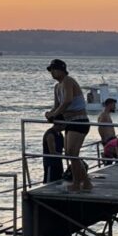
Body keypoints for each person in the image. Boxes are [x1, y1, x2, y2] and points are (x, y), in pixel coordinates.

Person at [44, 60, 92, 192]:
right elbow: (57, 105)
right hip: (69, 122)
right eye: (50, 70)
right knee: (70, 153)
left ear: (61, 70)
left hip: (79, 120)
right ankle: (86, 182)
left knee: (72, 153)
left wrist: (55, 114)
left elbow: (67, 100)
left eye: (54, 69)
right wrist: (50, 113)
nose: (52, 73)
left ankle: (78, 182)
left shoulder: (68, 81)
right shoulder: (57, 87)